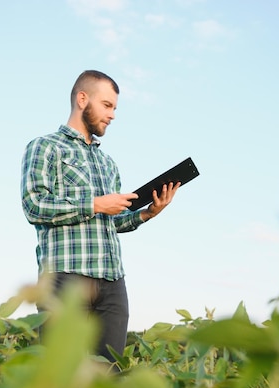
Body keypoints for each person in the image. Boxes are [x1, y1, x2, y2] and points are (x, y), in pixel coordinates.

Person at [20, 69, 180, 363]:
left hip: (112, 283)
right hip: (64, 279)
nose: (113, 115)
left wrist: (146, 214)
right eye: (107, 105)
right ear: (83, 99)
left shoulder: (108, 163)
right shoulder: (44, 146)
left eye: (115, 108)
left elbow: (112, 221)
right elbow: (34, 205)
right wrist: (94, 204)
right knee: (64, 382)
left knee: (109, 379)